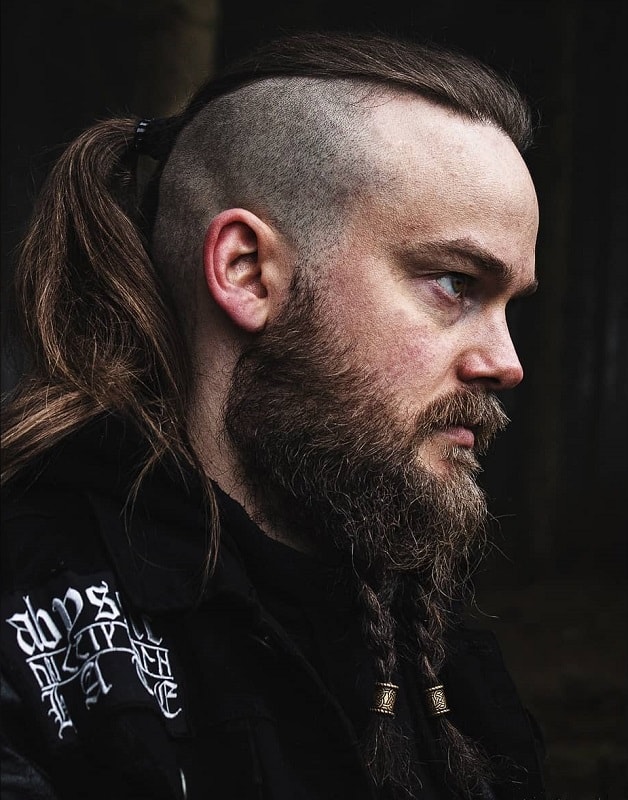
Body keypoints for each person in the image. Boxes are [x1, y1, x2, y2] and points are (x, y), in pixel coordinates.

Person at [0, 30, 546, 800]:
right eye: (456, 283)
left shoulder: (419, 638)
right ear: (247, 272)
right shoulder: (37, 627)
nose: (507, 361)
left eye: (508, 304)